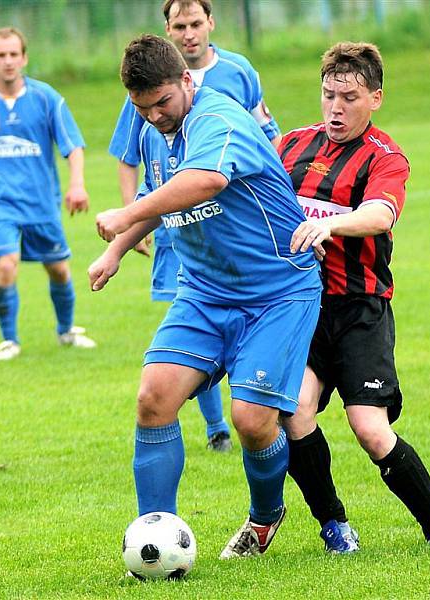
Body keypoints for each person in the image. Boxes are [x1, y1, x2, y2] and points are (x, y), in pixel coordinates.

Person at [89, 35, 322, 559]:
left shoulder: (219, 118)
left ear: (186, 82)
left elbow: (205, 180)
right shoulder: (155, 128)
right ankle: (156, 535)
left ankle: (264, 518)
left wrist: (123, 215)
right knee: (153, 399)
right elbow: (158, 194)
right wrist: (118, 250)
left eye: (162, 104)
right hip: (204, 292)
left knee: (251, 421)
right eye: (141, 108)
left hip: (277, 292)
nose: (153, 117)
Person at [280, 41, 430, 550]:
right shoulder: (292, 145)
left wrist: (329, 226)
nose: (336, 108)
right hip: (302, 308)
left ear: (375, 98)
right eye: (328, 95)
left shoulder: (386, 157)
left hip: (360, 309)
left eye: (350, 98)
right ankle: (333, 524)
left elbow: (380, 215)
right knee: (294, 410)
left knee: (369, 429)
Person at [108, 0, 282, 452]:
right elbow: (139, 165)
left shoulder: (236, 75)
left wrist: (288, 209)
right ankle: (214, 426)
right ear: (168, 30)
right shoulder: (149, 103)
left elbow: (264, 139)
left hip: (243, 236)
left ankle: (245, 423)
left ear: (211, 23)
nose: (188, 33)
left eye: (195, 23)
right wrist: (123, 239)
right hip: (179, 231)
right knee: (186, 338)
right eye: (178, 26)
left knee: (255, 402)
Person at [0, 27, 95, 361]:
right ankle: (9, 341)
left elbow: (73, 146)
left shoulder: (47, 98)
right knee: (6, 265)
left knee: (58, 269)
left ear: (24, 58)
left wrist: (77, 184)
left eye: (14, 54)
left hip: (41, 202)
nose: (8, 61)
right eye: (1, 55)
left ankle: (66, 331)